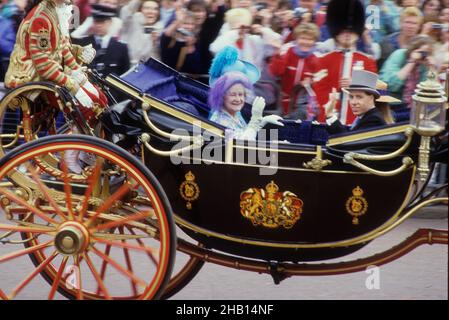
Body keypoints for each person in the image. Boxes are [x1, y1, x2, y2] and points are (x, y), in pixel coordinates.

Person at [5, 0, 107, 173]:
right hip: (32, 79)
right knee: (86, 107)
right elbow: (43, 64)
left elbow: (63, 49)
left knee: (100, 99)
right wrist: (71, 83)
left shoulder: (56, 11)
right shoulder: (42, 18)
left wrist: (77, 71)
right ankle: (70, 156)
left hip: (51, 74)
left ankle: (84, 150)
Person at [312, 0, 378, 125]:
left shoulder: (367, 61)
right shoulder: (323, 60)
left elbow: (372, 93)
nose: (347, 35)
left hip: (355, 120)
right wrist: (331, 114)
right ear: (336, 33)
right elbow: (319, 91)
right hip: (329, 118)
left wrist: (354, 84)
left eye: (352, 31)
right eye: (343, 31)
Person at [208, 71, 283, 140]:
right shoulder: (219, 120)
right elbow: (242, 145)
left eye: (241, 95)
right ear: (221, 97)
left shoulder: (236, 113)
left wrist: (262, 121)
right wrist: (254, 120)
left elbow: (245, 132)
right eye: (233, 95)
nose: (238, 99)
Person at [268, 22, 320, 116]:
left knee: (294, 129)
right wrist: (277, 54)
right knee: (272, 129)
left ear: (314, 41)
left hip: (303, 107)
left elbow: (320, 85)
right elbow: (275, 72)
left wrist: (312, 83)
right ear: (296, 39)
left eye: (310, 39)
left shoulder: (317, 58)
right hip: (280, 102)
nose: (305, 42)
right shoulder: (287, 51)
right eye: (303, 38)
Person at [74, 4, 130, 78]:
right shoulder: (82, 44)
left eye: (102, 22)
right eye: (96, 21)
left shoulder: (121, 48)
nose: (99, 25)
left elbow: (126, 76)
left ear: (110, 22)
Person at [380, 34, 436, 106]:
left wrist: (432, 68)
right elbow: (391, 86)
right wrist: (411, 62)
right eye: (422, 52)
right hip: (391, 103)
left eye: (427, 53)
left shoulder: (425, 64)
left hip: (415, 105)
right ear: (412, 49)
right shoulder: (399, 55)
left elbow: (432, 92)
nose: (423, 56)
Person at [324, 70, 386, 134]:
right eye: (351, 97)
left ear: (371, 98)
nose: (353, 102)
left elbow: (347, 141)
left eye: (359, 97)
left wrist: (330, 114)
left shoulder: (373, 120)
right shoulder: (365, 116)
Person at [119, 0, 163, 65]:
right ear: (140, 10)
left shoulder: (160, 27)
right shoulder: (131, 22)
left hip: (147, 69)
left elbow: (157, 59)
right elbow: (127, 11)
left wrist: (155, 43)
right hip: (127, 66)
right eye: (147, 8)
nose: (151, 12)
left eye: (155, 9)